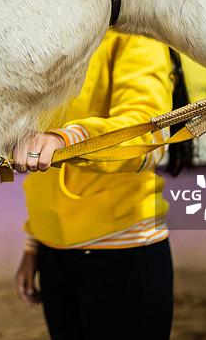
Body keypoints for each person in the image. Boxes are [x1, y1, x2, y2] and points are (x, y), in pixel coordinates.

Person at [13, 29, 193, 340]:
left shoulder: (135, 35)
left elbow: (147, 134)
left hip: (122, 253)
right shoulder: (57, 38)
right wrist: (34, 248)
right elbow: (44, 169)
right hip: (53, 255)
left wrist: (66, 139)